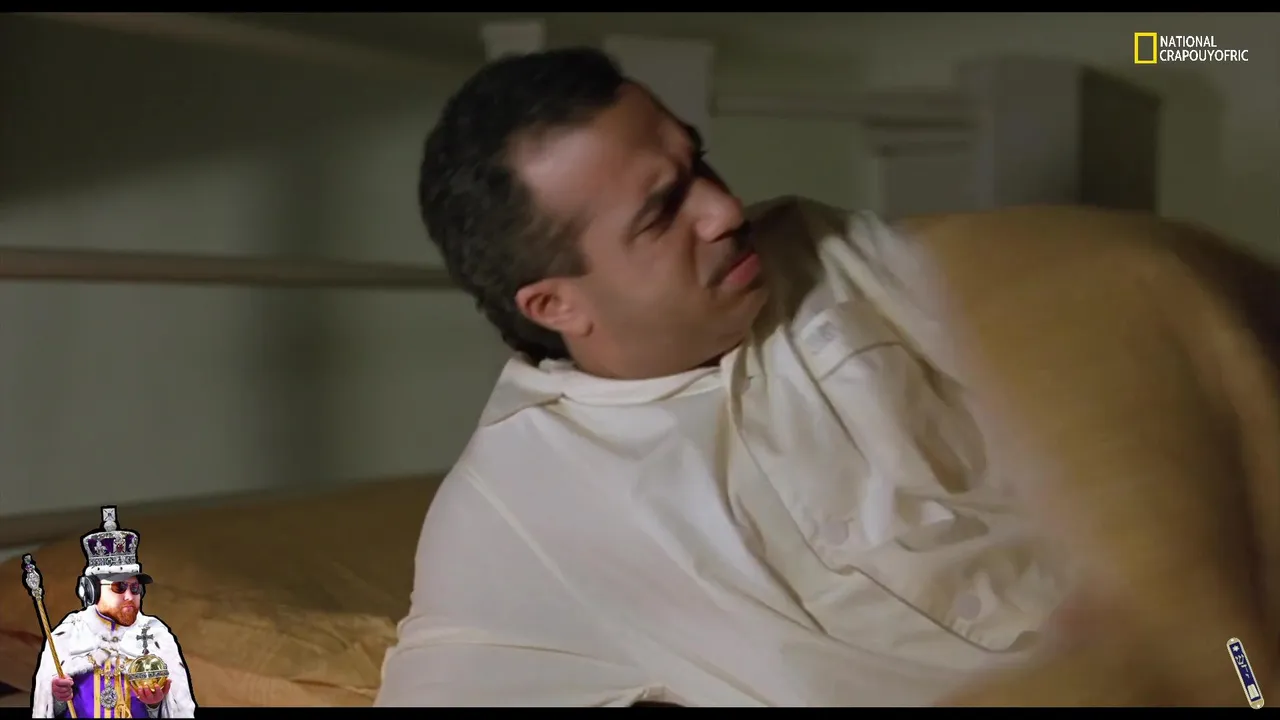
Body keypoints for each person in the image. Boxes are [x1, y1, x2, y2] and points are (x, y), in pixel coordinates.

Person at [375, 47, 1278, 706]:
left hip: (1228, 655)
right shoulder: (519, 511)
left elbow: (1103, 321)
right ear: (555, 304)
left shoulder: (830, 248)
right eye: (662, 211)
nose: (724, 209)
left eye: (699, 162)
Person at [31, 507, 197, 718]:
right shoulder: (68, 636)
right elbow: (46, 709)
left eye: (135, 588)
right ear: (91, 591)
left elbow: (175, 710)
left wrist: (154, 705)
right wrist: (57, 697)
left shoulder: (156, 636)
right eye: (119, 587)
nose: (129, 596)